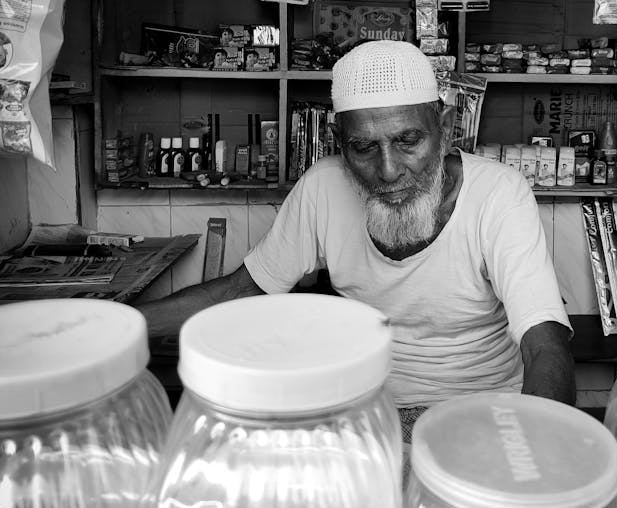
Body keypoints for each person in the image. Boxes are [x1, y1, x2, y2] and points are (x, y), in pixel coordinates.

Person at [138, 41, 576, 429]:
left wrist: (533, 443)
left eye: (408, 141)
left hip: (483, 410)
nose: (388, 171)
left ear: (444, 126)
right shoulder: (323, 188)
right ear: (337, 141)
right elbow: (240, 290)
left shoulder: (499, 195)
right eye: (363, 147)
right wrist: (114, 330)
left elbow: (544, 344)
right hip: (364, 412)